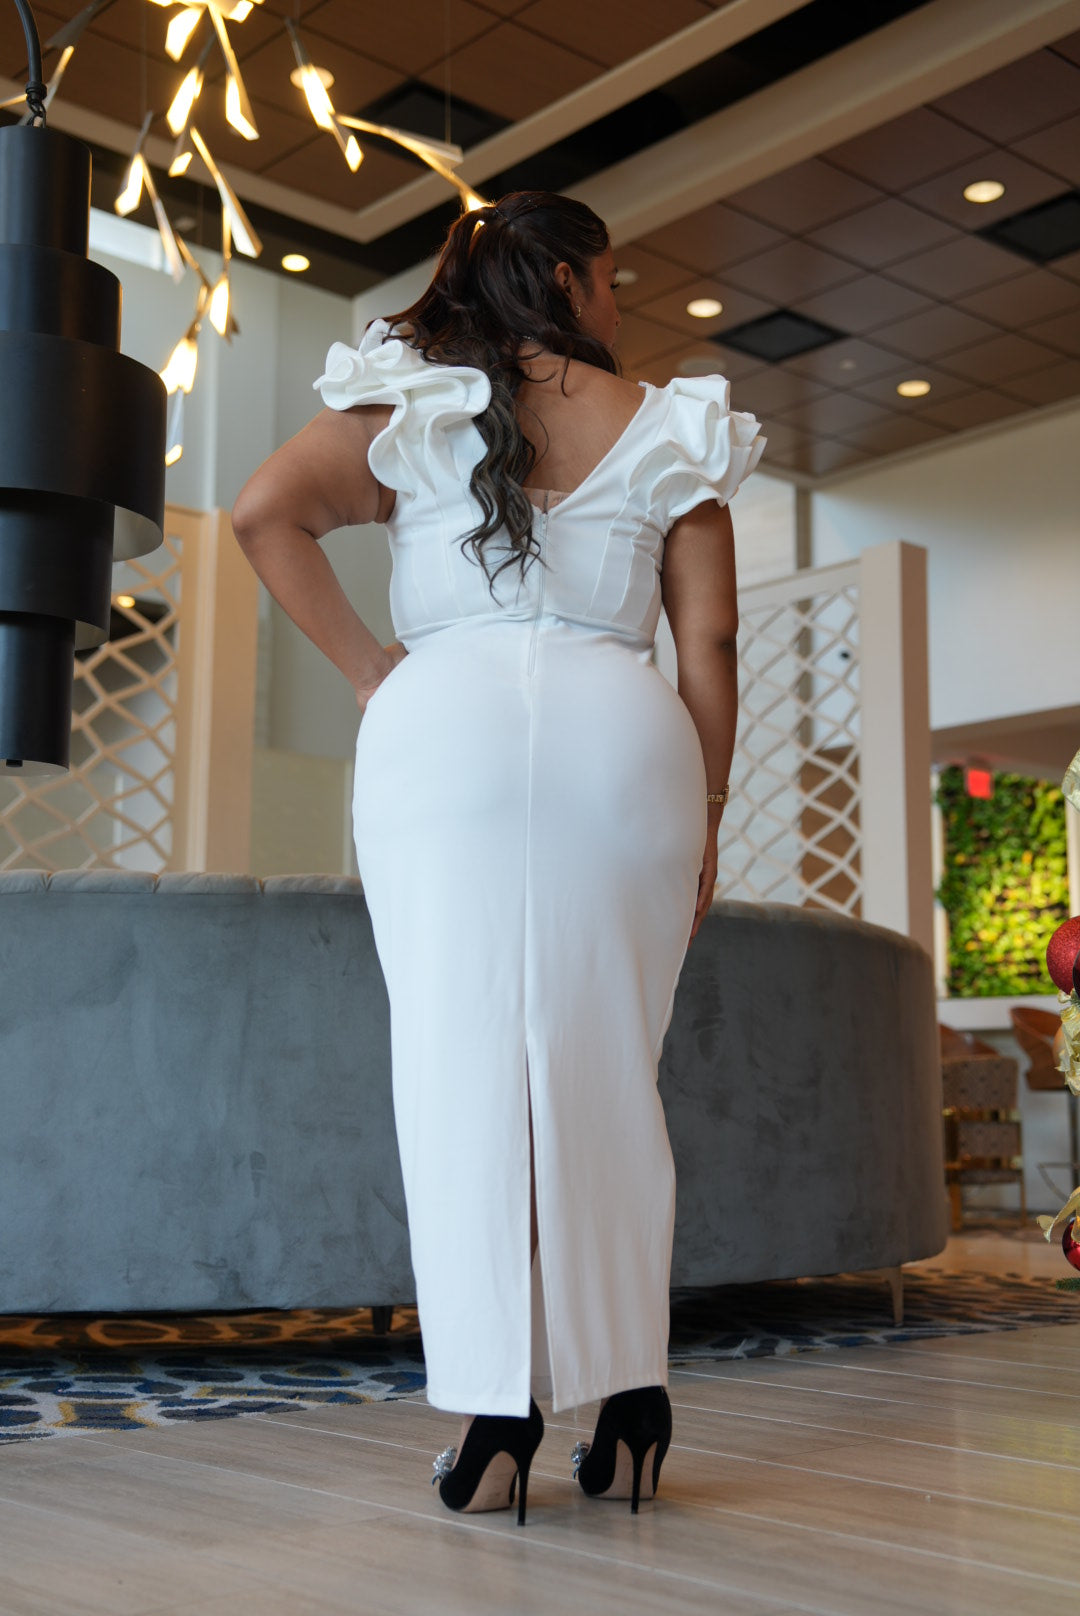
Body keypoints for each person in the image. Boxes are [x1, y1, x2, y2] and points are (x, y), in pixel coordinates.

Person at [232, 189, 765, 1525]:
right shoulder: (672, 423)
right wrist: (705, 807)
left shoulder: (415, 400)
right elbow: (708, 645)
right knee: (610, 1070)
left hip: (441, 738)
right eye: (612, 280)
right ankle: (631, 1403)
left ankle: (494, 1419)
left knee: (458, 1067)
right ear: (570, 280)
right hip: (625, 739)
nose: (620, 304)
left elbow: (261, 514)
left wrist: (374, 671)